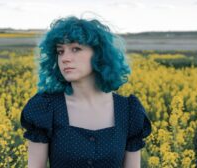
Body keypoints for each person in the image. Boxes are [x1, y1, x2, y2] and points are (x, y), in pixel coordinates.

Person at [20, 15, 152, 168]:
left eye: (75, 49)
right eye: (60, 51)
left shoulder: (129, 111)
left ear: (99, 54)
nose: (65, 58)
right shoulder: (46, 108)